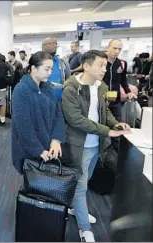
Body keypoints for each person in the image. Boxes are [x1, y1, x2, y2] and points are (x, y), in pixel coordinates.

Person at [61, 50, 132, 242]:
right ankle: (85, 230)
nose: (104, 69)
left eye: (105, 65)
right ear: (86, 66)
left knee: (87, 178)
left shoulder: (102, 87)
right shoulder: (71, 88)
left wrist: (115, 123)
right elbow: (76, 120)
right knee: (81, 186)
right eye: (100, 65)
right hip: (78, 144)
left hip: (96, 144)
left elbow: (104, 111)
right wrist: (107, 131)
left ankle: (76, 209)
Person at [12, 51, 65, 174]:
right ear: (33, 68)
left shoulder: (47, 88)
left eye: (51, 69)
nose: (50, 73)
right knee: (32, 186)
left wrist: (56, 139)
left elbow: (58, 115)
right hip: (30, 151)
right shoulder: (21, 90)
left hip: (49, 147)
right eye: (47, 69)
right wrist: (38, 150)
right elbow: (23, 126)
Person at [102, 39, 135, 122]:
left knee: (118, 125)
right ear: (108, 48)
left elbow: (123, 80)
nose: (117, 51)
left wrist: (128, 92)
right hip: (101, 100)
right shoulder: (100, 62)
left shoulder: (122, 63)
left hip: (115, 101)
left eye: (119, 49)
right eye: (114, 48)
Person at [42, 37, 71, 103]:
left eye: (56, 44)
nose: (55, 46)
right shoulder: (36, 62)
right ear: (44, 46)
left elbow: (69, 81)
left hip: (60, 102)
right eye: (51, 43)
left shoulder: (63, 63)